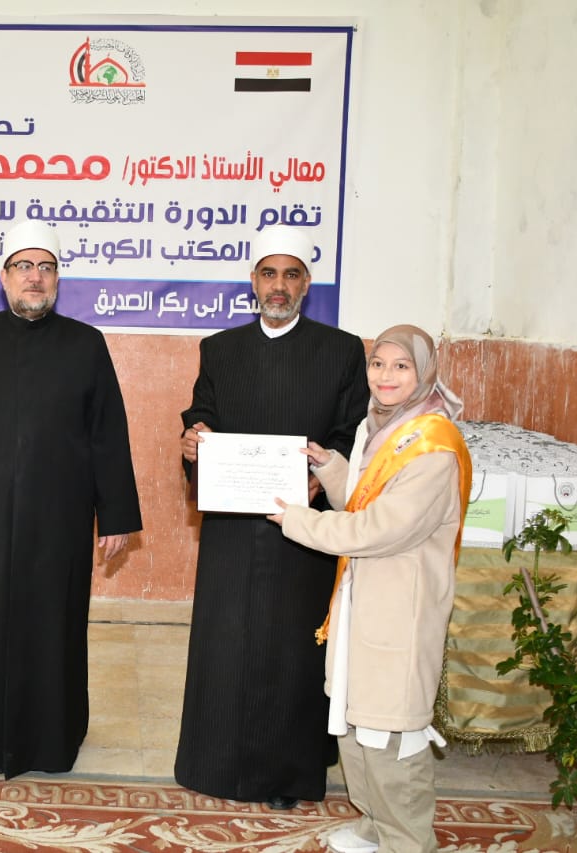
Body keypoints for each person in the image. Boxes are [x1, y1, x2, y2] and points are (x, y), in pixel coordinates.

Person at [0, 219, 142, 779]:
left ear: (58, 278)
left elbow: (107, 434)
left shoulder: (86, 344)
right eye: (24, 267)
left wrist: (115, 515)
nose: (34, 278)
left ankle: (53, 739)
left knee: (53, 623)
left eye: (45, 267)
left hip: (61, 519)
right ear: (4, 277)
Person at [175, 225, 370, 809]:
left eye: (290, 275)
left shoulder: (341, 351)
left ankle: (287, 777)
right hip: (232, 531)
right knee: (226, 645)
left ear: (307, 284)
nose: (278, 286)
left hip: (303, 530)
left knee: (290, 651)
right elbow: (202, 416)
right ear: (253, 282)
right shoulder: (220, 349)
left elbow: (350, 432)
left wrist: (319, 477)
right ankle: (211, 765)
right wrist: (193, 442)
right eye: (268, 274)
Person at [267, 324, 471, 853]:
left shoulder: (433, 445)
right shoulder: (380, 426)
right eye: (378, 364)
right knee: (355, 723)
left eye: (401, 366)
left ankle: (408, 840)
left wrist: (298, 520)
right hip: (364, 600)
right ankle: (376, 826)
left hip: (401, 608)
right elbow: (361, 500)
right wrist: (332, 467)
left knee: (391, 734)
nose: (385, 376)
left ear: (424, 373)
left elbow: (379, 529)